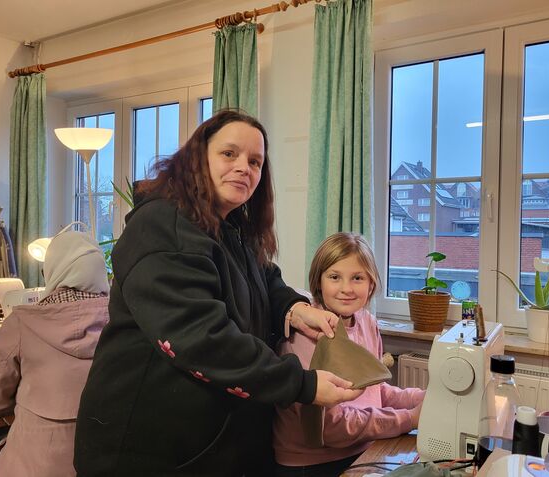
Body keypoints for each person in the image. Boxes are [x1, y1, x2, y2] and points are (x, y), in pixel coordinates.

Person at [74, 110, 362, 477]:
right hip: (148, 451)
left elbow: (266, 279)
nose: (244, 168)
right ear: (198, 159)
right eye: (229, 154)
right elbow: (201, 338)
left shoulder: (231, 228)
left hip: (209, 448)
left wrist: (293, 307)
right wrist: (302, 384)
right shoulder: (163, 226)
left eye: (255, 162)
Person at [273, 232, 426, 477]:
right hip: (312, 463)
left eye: (357, 278)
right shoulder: (307, 333)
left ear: (371, 284)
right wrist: (408, 419)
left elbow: (374, 389)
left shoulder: (367, 322)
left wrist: (421, 398)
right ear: (319, 282)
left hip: (362, 448)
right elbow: (329, 427)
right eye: (335, 277)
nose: (346, 289)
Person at [0, 230, 110, 477]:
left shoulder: (23, 323)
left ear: (51, 271)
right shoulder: (124, 323)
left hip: (37, 467)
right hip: (100, 461)